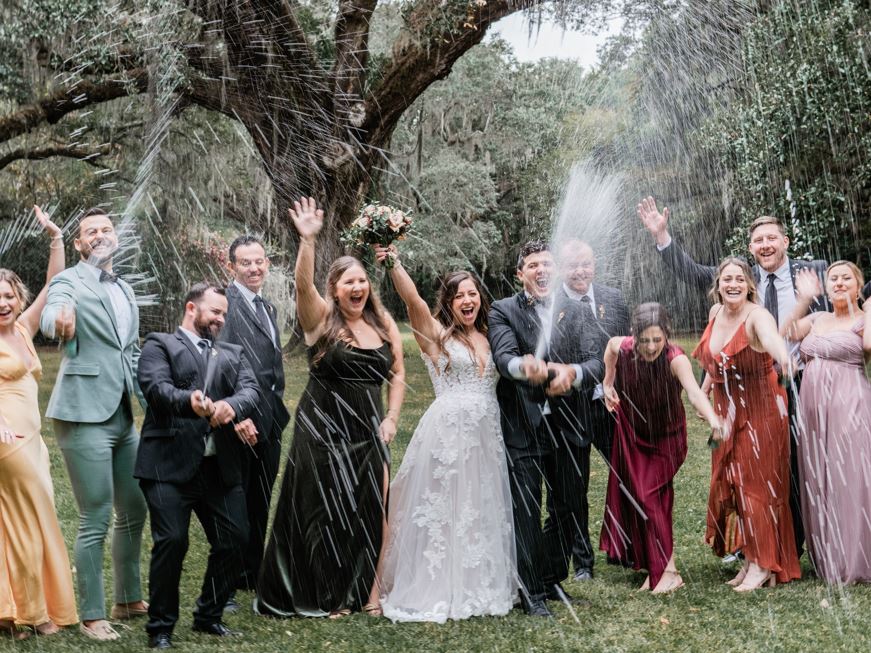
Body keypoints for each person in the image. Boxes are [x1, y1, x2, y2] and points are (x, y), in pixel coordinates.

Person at [637, 198, 848, 559]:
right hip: (746, 388)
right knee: (749, 466)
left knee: (802, 462)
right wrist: (662, 237)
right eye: (758, 241)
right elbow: (690, 272)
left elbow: (848, 299)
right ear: (751, 248)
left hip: (806, 382)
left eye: (771, 238)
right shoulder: (739, 280)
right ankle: (759, 542)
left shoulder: (813, 271)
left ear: (785, 241)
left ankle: (801, 541)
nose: (765, 245)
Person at [255, 198, 405, 618]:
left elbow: (398, 376)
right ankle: (325, 595)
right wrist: (308, 241)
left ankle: (371, 594)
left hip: (369, 429)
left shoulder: (382, 324)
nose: (357, 288)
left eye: (362, 281)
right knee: (322, 510)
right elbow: (302, 288)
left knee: (373, 509)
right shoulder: (321, 321)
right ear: (335, 290)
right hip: (322, 427)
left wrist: (392, 417)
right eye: (348, 283)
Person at [368, 244, 517, 622]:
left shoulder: (491, 336)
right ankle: (436, 584)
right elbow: (413, 299)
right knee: (444, 508)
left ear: (480, 299)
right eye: (459, 296)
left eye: (472, 294)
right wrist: (394, 263)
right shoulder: (436, 336)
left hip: (487, 433)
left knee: (480, 505)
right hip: (448, 433)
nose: (467, 301)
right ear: (448, 303)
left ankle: (479, 582)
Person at [39, 207, 148, 641]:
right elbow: (54, 312)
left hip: (123, 414)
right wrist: (59, 323)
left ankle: (128, 597)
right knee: (96, 514)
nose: (100, 235)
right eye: (90, 232)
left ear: (115, 238)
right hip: (83, 414)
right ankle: (91, 614)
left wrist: (154, 399)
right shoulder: (70, 280)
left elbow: (132, 351)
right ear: (81, 244)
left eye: (106, 228)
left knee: (135, 507)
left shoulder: (123, 287)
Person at [134, 283, 261, 649]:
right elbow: (156, 390)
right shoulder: (160, 344)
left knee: (236, 538)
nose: (221, 319)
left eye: (224, 313)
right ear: (192, 308)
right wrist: (190, 401)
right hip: (167, 464)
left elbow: (250, 390)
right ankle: (160, 627)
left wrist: (232, 407)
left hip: (219, 466)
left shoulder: (233, 353)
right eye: (215, 312)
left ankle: (209, 615)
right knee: (172, 541)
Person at [489, 240, 605, 618]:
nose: (541, 270)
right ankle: (530, 591)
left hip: (570, 420)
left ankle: (552, 575)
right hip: (522, 422)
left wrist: (574, 375)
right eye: (533, 264)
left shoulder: (575, 309)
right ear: (520, 273)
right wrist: (525, 368)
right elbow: (504, 357)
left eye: (547, 264)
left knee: (568, 504)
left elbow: (596, 362)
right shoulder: (502, 310)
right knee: (526, 506)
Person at [693, 257, 801, 591]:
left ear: (749, 284)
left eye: (739, 279)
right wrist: (704, 393)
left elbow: (771, 341)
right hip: (728, 413)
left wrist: (783, 359)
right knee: (736, 485)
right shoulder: (715, 313)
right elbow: (715, 361)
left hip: (762, 409)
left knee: (758, 488)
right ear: (719, 284)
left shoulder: (758, 316)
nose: (733, 284)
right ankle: (753, 558)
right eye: (727, 279)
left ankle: (764, 564)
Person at [599, 303, 722, 594]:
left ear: (667, 335)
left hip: (667, 437)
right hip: (633, 430)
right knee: (640, 497)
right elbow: (609, 356)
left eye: (658, 339)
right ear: (634, 336)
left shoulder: (674, 359)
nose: (651, 346)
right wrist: (607, 385)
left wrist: (714, 418)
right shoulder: (621, 347)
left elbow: (693, 392)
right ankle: (658, 567)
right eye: (645, 340)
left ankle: (668, 570)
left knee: (648, 494)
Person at [0, 206, 77, 640]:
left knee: (14, 521)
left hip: (32, 440)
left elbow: (55, 284)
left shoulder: (25, 331)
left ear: (18, 297)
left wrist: (55, 239)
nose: (3, 303)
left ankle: (11, 612)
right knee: (31, 519)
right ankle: (34, 612)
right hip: (4, 439)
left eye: (8, 295)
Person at [781, 261, 871, 584]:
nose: (839, 283)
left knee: (848, 474)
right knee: (819, 473)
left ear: (859, 286)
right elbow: (786, 333)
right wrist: (804, 299)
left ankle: (856, 556)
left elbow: (869, 347)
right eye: (833, 278)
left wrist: (870, 306)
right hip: (813, 409)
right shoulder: (818, 318)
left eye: (847, 278)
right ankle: (829, 553)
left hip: (850, 403)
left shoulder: (864, 320)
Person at [555, 239, 630, 582]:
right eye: (572, 265)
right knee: (575, 485)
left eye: (585, 264)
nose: (580, 271)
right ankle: (582, 560)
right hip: (569, 408)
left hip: (610, 404)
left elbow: (627, 349)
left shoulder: (614, 299)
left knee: (627, 474)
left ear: (594, 265)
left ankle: (623, 546)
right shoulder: (551, 305)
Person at [221, 236, 290, 604]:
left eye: (259, 261)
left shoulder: (267, 307)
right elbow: (220, 363)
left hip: (270, 417)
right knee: (235, 500)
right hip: (241, 417)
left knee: (260, 498)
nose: (254, 268)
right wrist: (235, 417)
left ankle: (250, 574)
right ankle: (227, 581)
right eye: (246, 263)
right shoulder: (226, 305)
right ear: (232, 266)